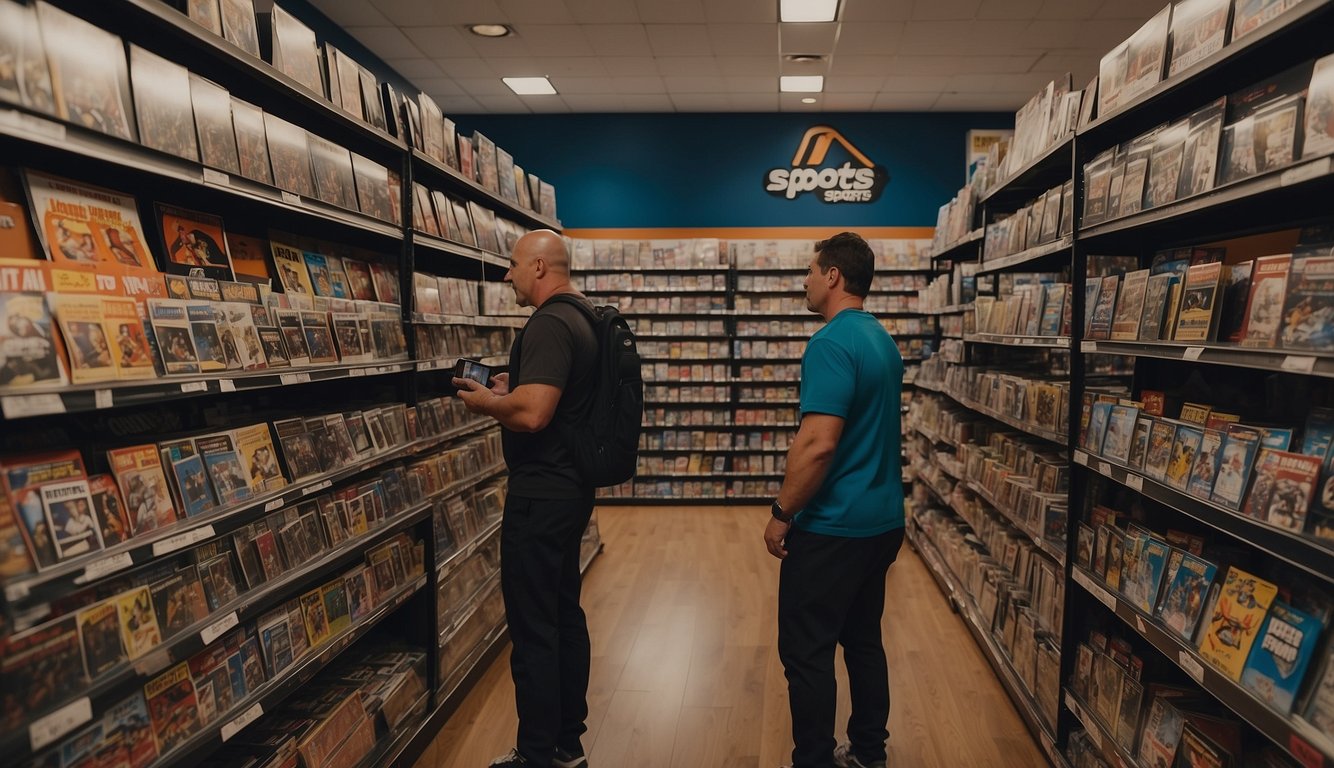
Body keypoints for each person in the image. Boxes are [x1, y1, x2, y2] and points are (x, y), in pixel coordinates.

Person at [762, 232, 906, 768]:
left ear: (832, 276)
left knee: (807, 653)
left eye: (809, 269)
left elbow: (819, 445)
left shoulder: (829, 343)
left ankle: (814, 759)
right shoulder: (881, 340)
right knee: (864, 641)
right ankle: (869, 752)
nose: (803, 279)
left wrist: (782, 513)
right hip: (883, 523)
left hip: (833, 527)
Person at [453, 229, 596, 768]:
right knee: (563, 615)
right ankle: (566, 744)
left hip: (540, 495)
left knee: (535, 628)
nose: (507, 275)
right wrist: (521, 382)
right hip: (571, 491)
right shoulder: (582, 316)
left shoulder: (548, 323)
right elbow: (560, 393)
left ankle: (537, 754)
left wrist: (490, 402)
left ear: (538, 267)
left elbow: (534, 414)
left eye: (512, 265)